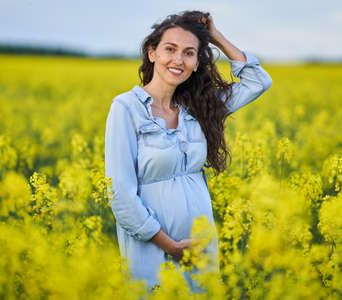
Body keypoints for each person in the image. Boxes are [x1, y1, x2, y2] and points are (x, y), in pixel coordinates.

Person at [104, 10, 272, 293]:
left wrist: (215, 37)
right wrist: (169, 245)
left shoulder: (200, 107)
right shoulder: (126, 108)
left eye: (189, 53)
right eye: (170, 49)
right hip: (152, 250)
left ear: (197, 63)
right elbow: (120, 193)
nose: (178, 60)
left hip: (201, 247)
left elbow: (259, 82)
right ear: (152, 53)